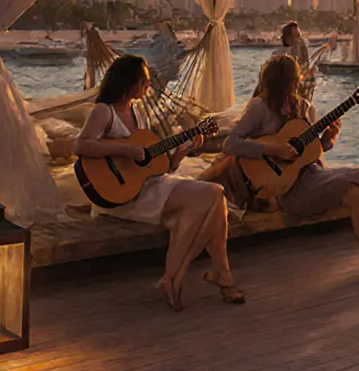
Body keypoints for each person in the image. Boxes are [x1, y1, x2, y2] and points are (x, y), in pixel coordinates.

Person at [223, 55, 359, 280]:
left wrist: (330, 139)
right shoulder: (260, 107)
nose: (296, 84)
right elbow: (230, 144)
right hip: (290, 189)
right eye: (293, 80)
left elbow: (311, 152)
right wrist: (273, 150)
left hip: (315, 176)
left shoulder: (304, 107)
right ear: (283, 82)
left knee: (357, 194)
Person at [75, 55, 243, 310]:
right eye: (143, 81)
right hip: (121, 197)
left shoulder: (137, 112)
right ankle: (191, 275)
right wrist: (127, 152)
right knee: (213, 194)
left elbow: (158, 166)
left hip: (147, 187)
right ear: (127, 81)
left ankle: (192, 275)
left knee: (214, 198)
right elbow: (81, 145)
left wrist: (184, 149)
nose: (147, 87)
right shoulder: (104, 111)